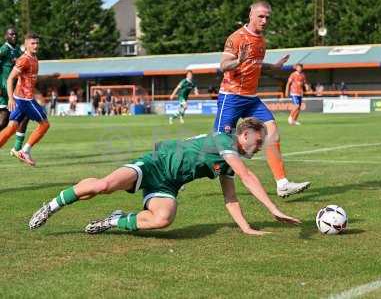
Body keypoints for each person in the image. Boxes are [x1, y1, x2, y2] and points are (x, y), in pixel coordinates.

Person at [29, 117, 301, 235]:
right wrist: (272, 208)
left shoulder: (230, 159)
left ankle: (115, 220)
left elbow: (230, 197)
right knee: (103, 185)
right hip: (153, 165)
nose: (259, 146)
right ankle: (53, 205)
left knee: (163, 218)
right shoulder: (224, 141)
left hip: (167, 184)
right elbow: (247, 176)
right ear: (244, 135)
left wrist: (246, 227)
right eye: (257, 140)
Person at [214, 1, 310, 197]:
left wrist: (273, 67)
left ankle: (282, 183)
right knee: (220, 145)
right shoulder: (236, 38)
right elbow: (224, 65)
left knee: (272, 131)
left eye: (267, 17)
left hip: (251, 99)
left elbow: (257, 65)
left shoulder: (261, 41)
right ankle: (181, 170)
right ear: (251, 15)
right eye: (261, 16)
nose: (264, 20)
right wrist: (238, 61)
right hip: (231, 97)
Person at [0, 32, 50, 166]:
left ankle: (21, 150)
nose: (36, 45)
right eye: (33, 43)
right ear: (26, 44)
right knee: (45, 124)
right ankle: (24, 151)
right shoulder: (24, 60)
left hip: (24, 97)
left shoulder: (34, 58)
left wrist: (50, 77)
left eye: (37, 43)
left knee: (11, 127)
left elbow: (31, 79)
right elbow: (10, 78)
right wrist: (10, 98)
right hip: (24, 99)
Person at [0, 27, 30, 157]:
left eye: (15, 34)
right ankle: (17, 148)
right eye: (11, 34)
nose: (14, 36)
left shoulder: (16, 49)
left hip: (16, 89)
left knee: (24, 115)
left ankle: (17, 148)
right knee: (4, 121)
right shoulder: (4, 49)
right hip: (5, 89)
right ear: (5, 36)